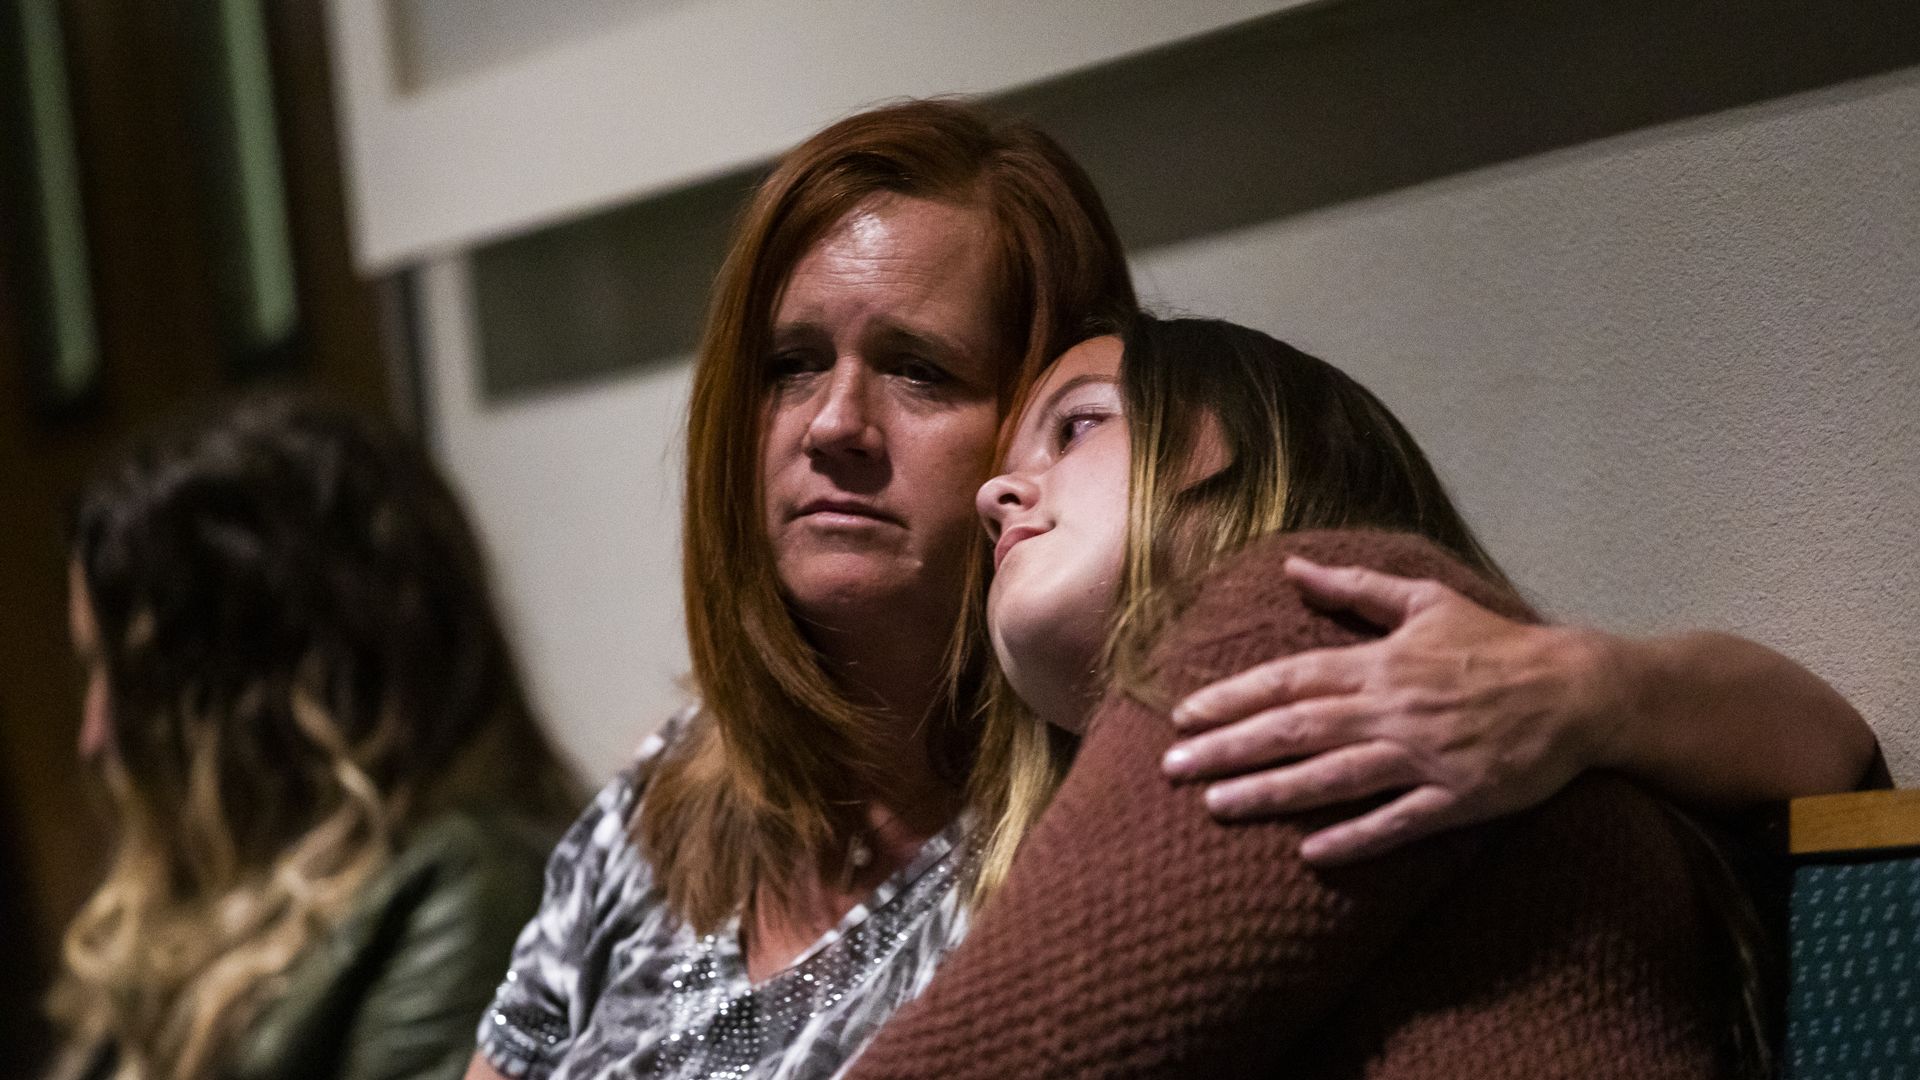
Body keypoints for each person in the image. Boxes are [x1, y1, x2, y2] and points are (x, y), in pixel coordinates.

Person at [470, 100, 1871, 1080]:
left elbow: (1828, 757)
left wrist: (1585, 683)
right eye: (789, 363)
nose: (834, 422)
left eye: (919, 371)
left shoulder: (1160, 732)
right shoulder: (665, 807)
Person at [846, 317, 1774, 1078]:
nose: (996, 494)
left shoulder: (1315, 618)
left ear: (1250, 443)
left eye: (1080, 425)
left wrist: (1601, 686)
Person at [50, 397, 579, 1080]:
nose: (94, 737)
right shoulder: (193, 908)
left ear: (260, 686)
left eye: (124, 681)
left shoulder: (468, 895)